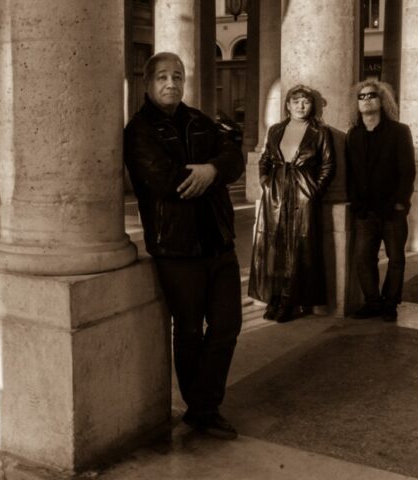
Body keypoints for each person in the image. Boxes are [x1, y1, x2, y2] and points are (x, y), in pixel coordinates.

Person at [124, 52, 244, 439]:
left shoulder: (198, 120)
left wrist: (212, 170)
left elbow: (234, 157)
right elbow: (165, 181)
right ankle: (203, 410)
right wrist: (210, 176)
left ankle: (202, 404)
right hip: (176, 247)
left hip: (219, 240)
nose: (171, 83)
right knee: (190, 330)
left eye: (177, 76)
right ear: (148, 83)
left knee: (227, 324)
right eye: (162, 77)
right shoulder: (139, 130)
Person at [248, 84, 336, 323]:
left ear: (312, 106)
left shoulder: (320, 132)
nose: (301, 106)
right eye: (296, 101)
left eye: (305, 101)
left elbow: (328, 165)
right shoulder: (276, 129)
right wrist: (265, 181)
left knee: (298, 247)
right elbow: (265, 159)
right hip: (276, 192)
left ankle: (290, 300)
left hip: (303, 192)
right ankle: (274, 297)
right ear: (288, 105)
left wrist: (314, 191)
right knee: (274, 245)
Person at [346, 80, 415, 322]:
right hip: (365, 211)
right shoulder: (353, 134)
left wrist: (400, 202)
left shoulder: (399, 131)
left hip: (392, 209)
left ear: (382, 100)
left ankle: (390, 303)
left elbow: (407, 170)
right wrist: (355, 202)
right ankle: (372, 302)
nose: (366, 100)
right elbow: (350, 173)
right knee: (363, 259)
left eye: (371, 95)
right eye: (361, 97)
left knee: (396, 259)